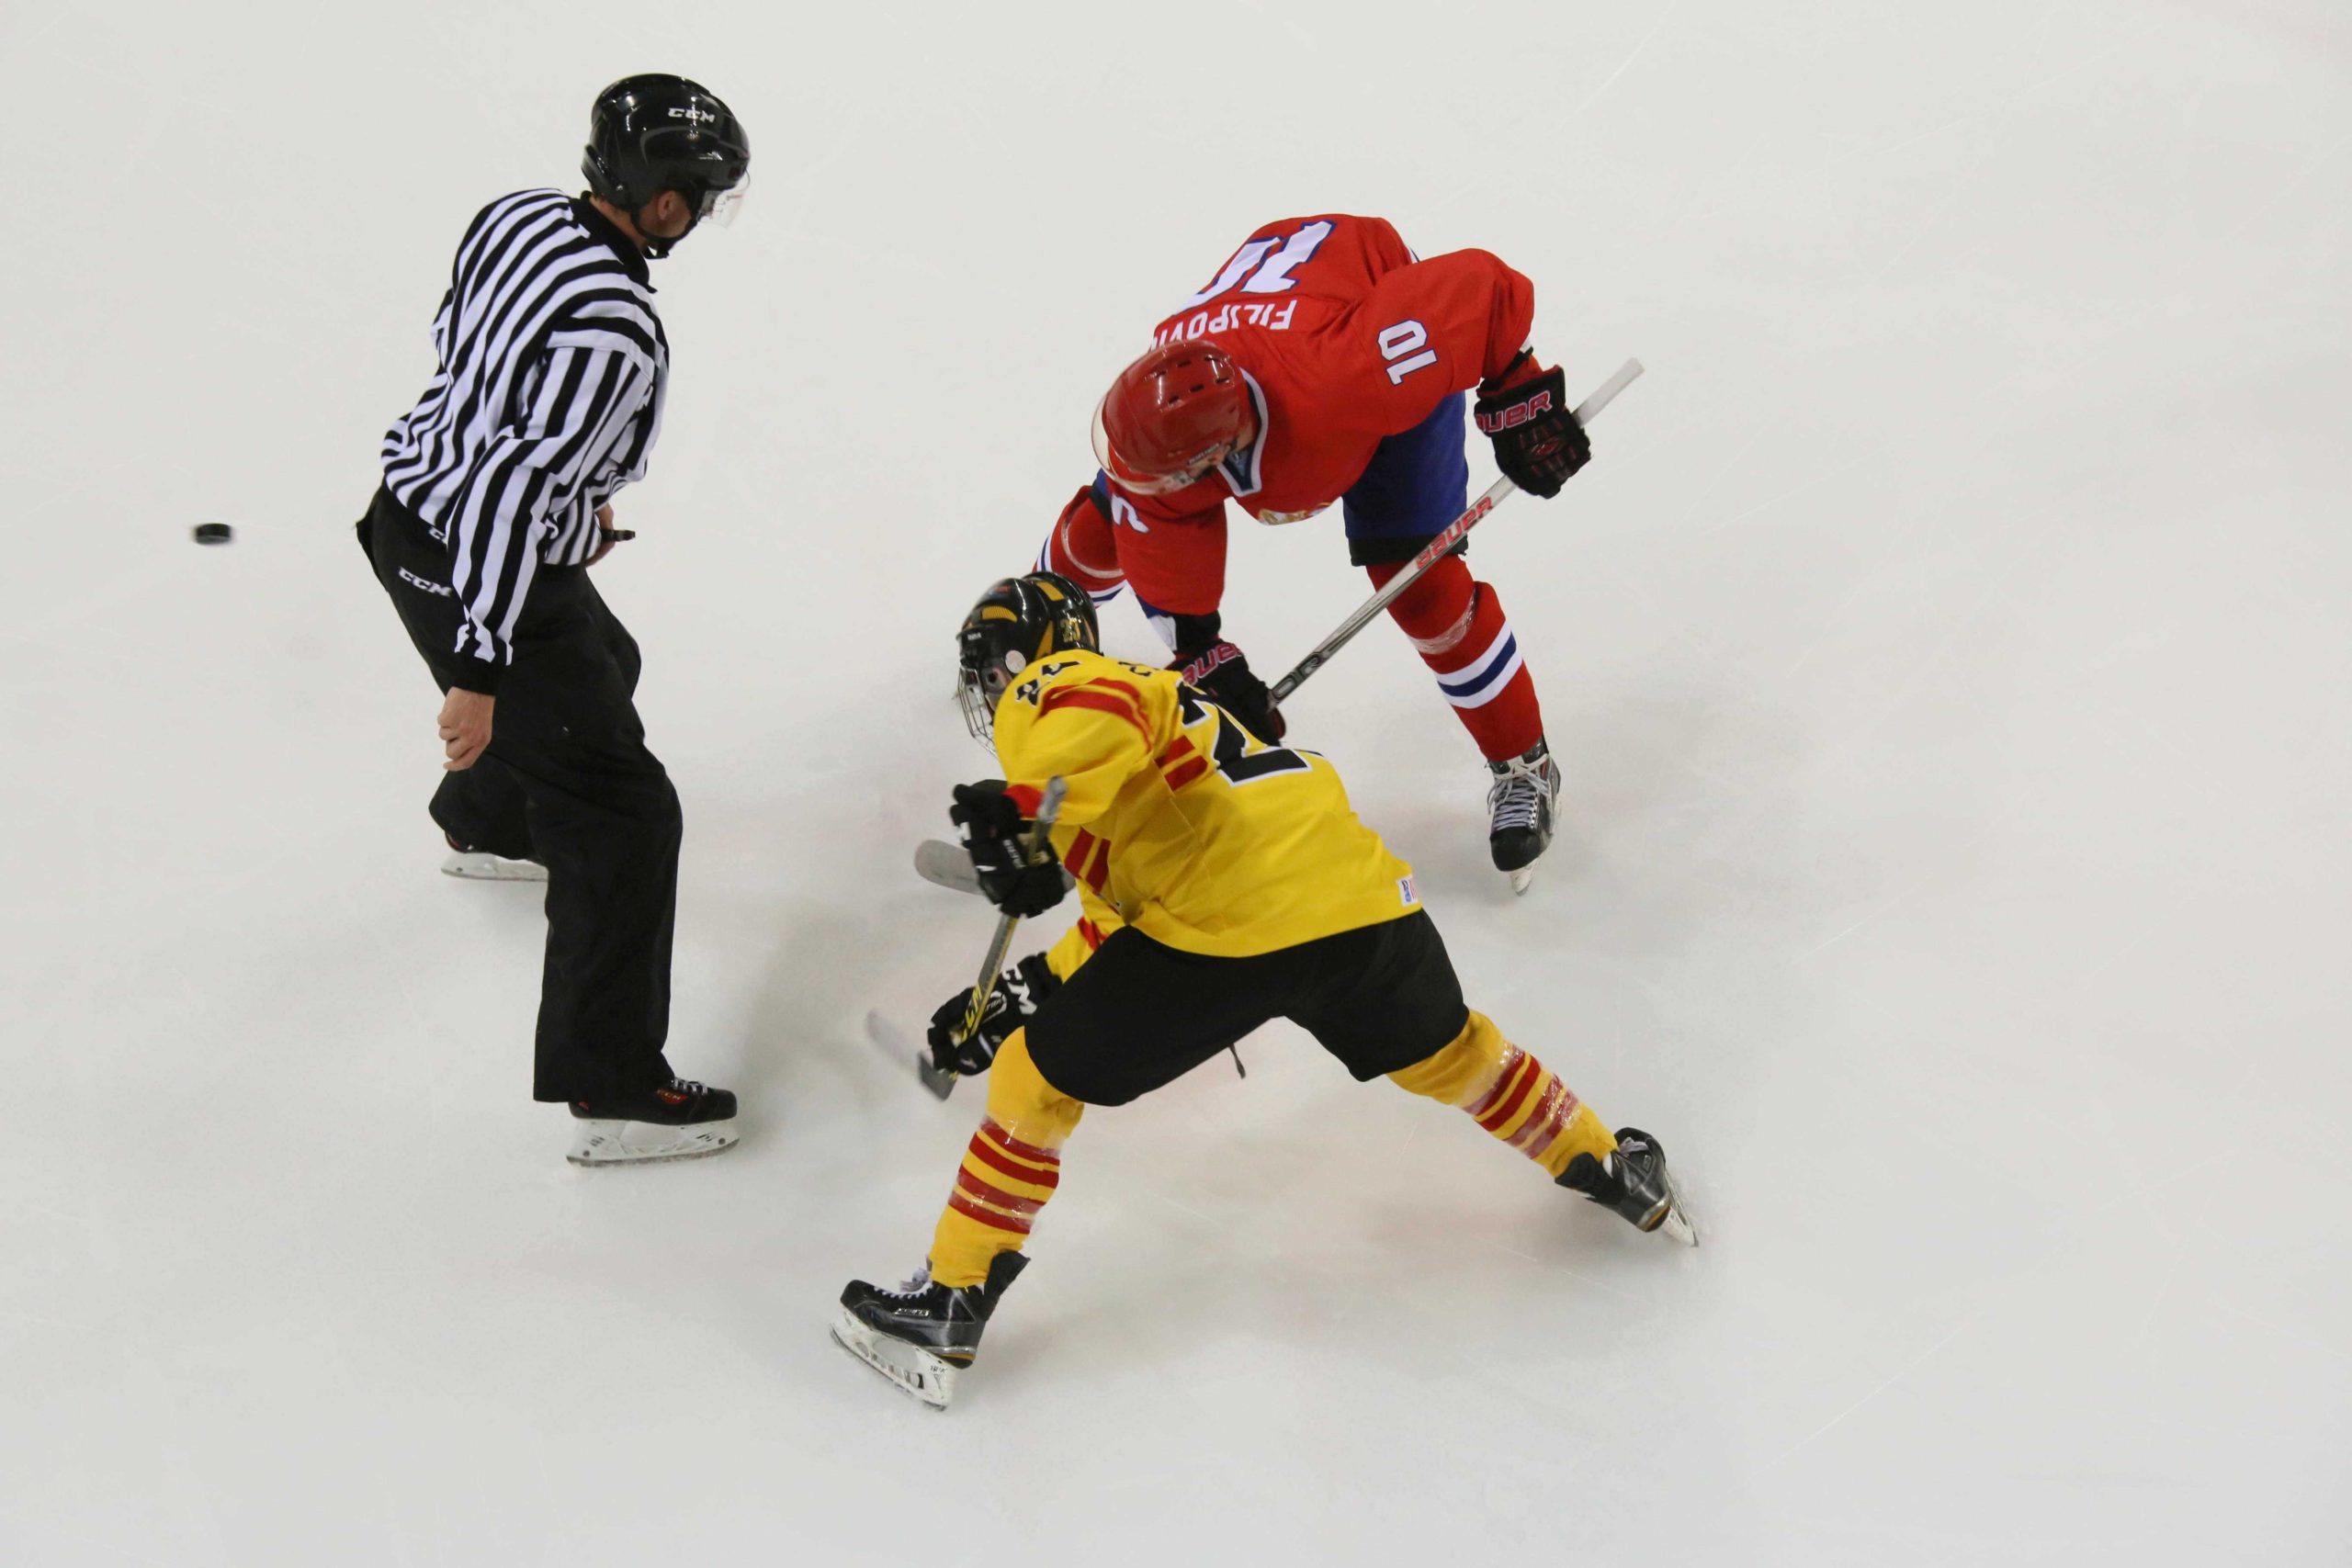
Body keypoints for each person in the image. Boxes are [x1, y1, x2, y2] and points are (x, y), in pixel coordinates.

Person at [831, 572, 1693, 1409]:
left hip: (1229, 921)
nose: (992, 689)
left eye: (992, 667)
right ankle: (1613, 1167)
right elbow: (1118, 918)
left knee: (1034, 1082)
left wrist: (1024, 810)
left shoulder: (1066, 687)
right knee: (1455, 1052)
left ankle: (950, 1299)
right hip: (1358, 902)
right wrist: (1019, 992)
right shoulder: (1162, 742)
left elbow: (1097, 725)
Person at [357, 74, 750, 1165]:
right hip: (481, 561)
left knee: (604, 658)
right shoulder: (613, 332)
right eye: (701, 195)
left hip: (401, 518)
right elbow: (500, 498)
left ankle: (488, 822)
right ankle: (612, 1084)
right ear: (664, 203)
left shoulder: (518, 214)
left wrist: (567, 491)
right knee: (627, 818)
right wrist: (476, 668)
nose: (703, 213)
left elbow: (462, 349)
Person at [1034, 214, 1595, 891]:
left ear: (1222, 450)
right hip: (1278, 324)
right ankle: (1028, 631)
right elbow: (1150, 506)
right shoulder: (1167, 402)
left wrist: (1518, 395)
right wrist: (1199, 645)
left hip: (1356, 319)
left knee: (1423, 591)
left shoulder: (1354, 369)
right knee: (1113, 514)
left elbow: (1479, 289)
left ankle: (1526, 765)